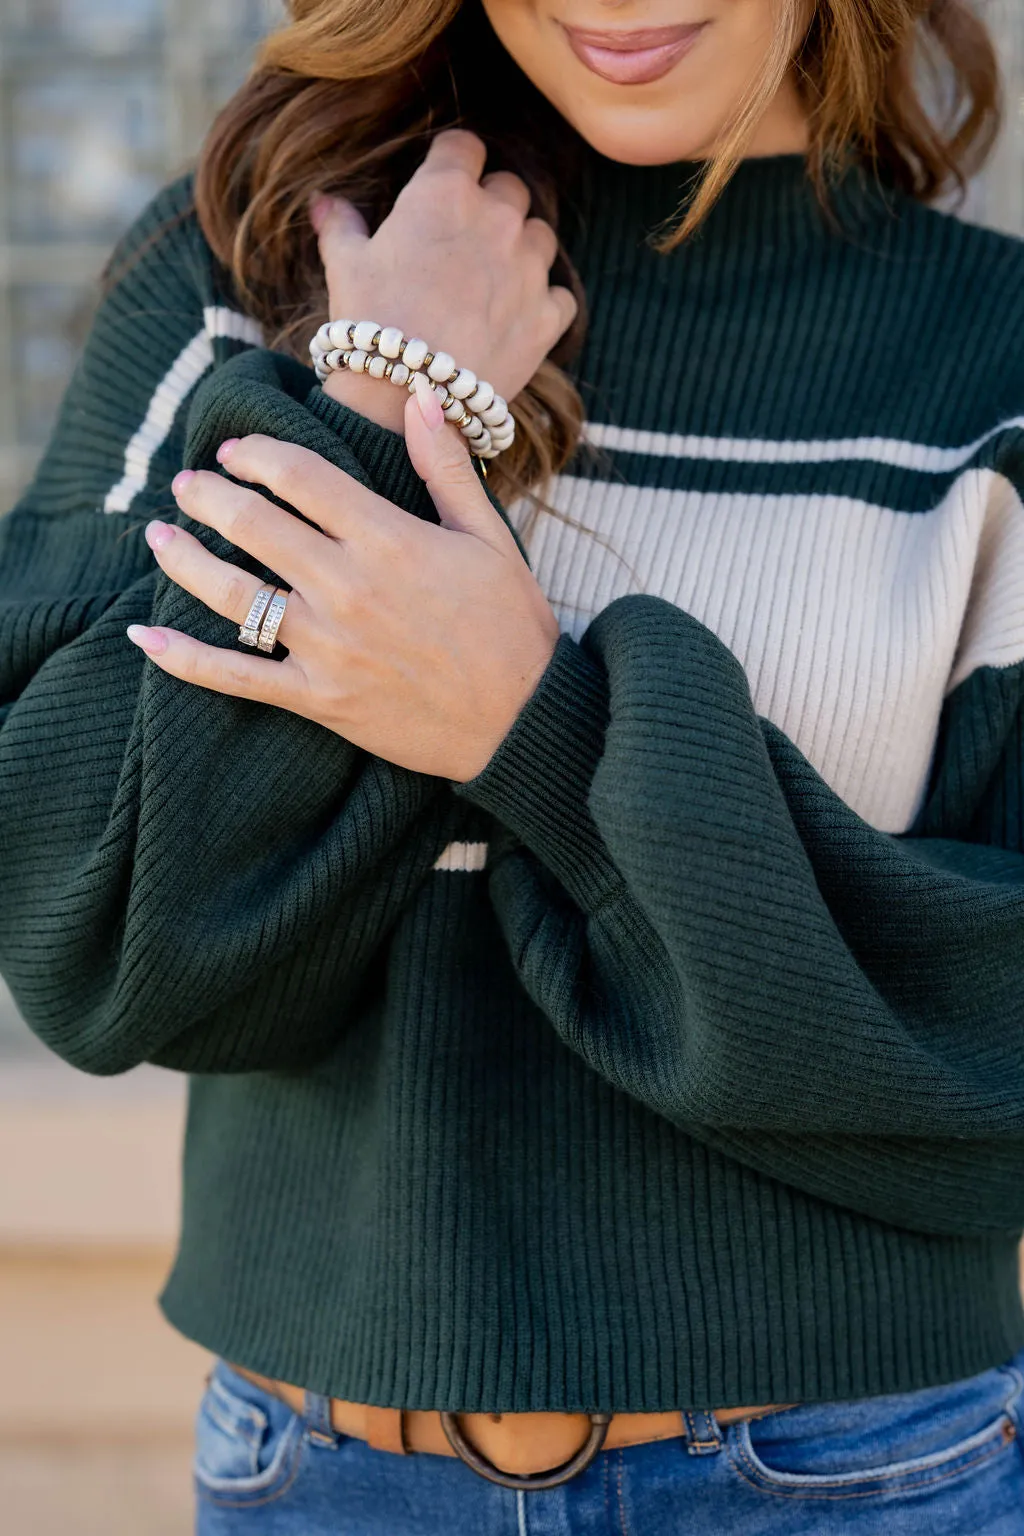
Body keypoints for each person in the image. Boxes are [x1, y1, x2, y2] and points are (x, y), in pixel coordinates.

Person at [3, 0, 1024, 1530]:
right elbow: (99, 947)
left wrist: (530, 730)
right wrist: (378, 399)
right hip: (319, 1477)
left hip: (849, 1475)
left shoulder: (992, 358)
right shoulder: (248, 274)